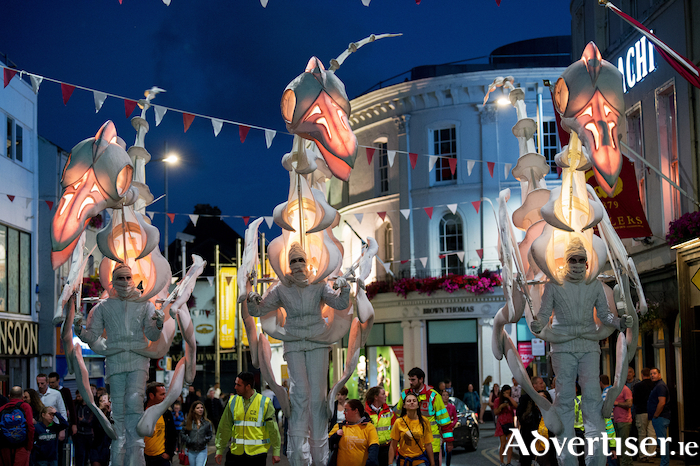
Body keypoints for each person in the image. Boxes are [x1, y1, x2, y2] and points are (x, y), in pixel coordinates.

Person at [530, 238, 632, 466]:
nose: (577, 264)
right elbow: (545, 314)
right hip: (563, 344)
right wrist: (538, 323)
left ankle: (596, 456)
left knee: (593, 397)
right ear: (566, 262)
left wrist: (618, 322)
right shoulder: (554, 285)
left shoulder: (594, 285)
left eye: (581, 260)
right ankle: (567, 457)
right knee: (565, 397)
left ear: (587, 263)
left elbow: (604, 315)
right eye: (572, 260)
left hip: (588, 343)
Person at [246, 243, 350, 465]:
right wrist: (251, 298)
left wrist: (345, 287)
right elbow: (259, 310)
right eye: (293, 261)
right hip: (293, 341)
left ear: (307, 262)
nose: (297, 265)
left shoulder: (320, 285)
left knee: (317, 395)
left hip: (317, 340)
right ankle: (297, 454)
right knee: (300, 393)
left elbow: (340, 303)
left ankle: (320, 455)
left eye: (300, 260)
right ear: (289, 265)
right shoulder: (281, 289)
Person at [73, 264, 165, 466]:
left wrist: (158, 324)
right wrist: (78, 328)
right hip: (114, 359)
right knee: (118, 413)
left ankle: (136, 457)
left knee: (134, 405)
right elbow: (92, 335)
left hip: (137, 357)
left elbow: (151, 334)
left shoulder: (145, 304)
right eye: (120, 278)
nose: (124, 282)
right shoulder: (103, 307)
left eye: (127, 277)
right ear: (112, 281)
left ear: (133, 279)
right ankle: (117, 457)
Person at [215, 371, 281, 466]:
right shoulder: (232, 401)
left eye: (238, 385)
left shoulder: (264, 403)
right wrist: (219, 449)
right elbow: (224, 426)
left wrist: (276, 451)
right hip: (235, 452)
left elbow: (273, 429)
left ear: (248, 387)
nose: (235, 387)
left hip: (257, 454)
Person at [394, 368, 451, 466]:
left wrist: (449, 442)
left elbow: (444, 421)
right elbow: (398, 418)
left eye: (413, 380)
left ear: (421, 379)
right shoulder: (405, 394)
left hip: (431, 445)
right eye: (409, 380)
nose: (410, 382)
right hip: (409, 446)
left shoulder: (433, 396)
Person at [388, 392, 434, 466]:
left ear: (418, 405)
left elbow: (428, 444)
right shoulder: (399, 422)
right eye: (409, 401)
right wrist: (390, 463)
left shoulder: (424, 421)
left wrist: (432, 463)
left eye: (414, 401)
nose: (412, 402)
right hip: (404, 461)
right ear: (404, 405)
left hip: (420, 461)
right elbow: (393, 445)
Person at [328, 399, 379, 466]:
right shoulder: (340, 426)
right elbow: (327, 444)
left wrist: (371, 462)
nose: (344, 412)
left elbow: (374, 447)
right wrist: (335, 435)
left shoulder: (368, 427)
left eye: (346, 410)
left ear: (355, 411)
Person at [0, 386, 35, 466]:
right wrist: (29, 447)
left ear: (9, 396)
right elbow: (30, 427)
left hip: (4, 447)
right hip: (21, 447)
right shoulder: (25, 406)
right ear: (22, 397)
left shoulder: (2, 409)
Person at [144, 382, 176, 466]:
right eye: (161, 394)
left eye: (165, 394)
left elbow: (172, 434)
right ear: (151, 396)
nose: (164, 397)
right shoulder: (141, 412)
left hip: (161, 458)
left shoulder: (166, 413)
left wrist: (169, 453)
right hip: (144, 458)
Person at [516, 377, 546, 466]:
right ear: (534, 386)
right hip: (529, 434)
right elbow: (520, 415)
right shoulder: (526, 398)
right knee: (526, 459)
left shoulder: (547, 396)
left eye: (542, 383)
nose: (543, 384)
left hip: (545, 433)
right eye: (540, 383)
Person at [364, 386, 395, 466]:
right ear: (376, 397)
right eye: (383, 394)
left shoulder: (390, 412)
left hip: (386, 448)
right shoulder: (365, 413)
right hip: (370, 449)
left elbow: (395, 431)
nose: (386, 396)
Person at [648, 368, 671, 466]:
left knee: (662, 441)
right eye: (651, 374)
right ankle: (664, 462)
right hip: (660, 417)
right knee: (661, 440)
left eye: (654, 373)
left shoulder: (660, 386)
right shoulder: (657, 386)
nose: (652, 375)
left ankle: (664, 463)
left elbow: (662, 402)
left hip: (660, 417)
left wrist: (656, 415)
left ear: (659, 375)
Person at [633, 368, 656, 462]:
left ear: (642, 375)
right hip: (652, 412)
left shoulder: (638, 386)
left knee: (642, 433)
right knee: (651, 433)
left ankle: (642, 455)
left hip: (641, 411)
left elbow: (635, 400)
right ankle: (651, 454)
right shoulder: (654, 385)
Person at [181, 401, 213, 466]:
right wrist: (189, 440)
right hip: (191, 451)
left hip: (202, 450)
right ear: (194, 410)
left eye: (201, 408)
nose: (200, 409)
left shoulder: (207, 423)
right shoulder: (188, 422)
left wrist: (204, 440)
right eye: (198, 408)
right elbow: (182, 433)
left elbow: (210, 435)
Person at [494, 385, 517, 466]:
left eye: (509, 393)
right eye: (506, 393)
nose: (507, 394)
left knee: (510, 444)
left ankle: (509, 462)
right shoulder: (497, 400)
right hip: (501, 424)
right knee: (503, 444)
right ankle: (502, 462)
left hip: (510, 423)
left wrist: (509, 398)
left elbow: (516, 406)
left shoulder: (510, 400)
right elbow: (495, 412)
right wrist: (501, 407)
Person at [612, 381, 633, 466]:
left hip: (624, 420)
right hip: (616, 419)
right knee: (621, 442)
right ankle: (628, 462)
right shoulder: (615, 390)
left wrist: (617, 403)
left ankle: (625, 463)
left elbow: (629, 403)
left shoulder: (625, 389)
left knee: (624, 443)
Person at [89, 394, 113, 466]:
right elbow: (93, 424)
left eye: (104, 401)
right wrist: (99, 412)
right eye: (100, 401)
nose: (102, 403)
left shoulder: (112, 414)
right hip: (97, 444)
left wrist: (109, 411)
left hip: (108, 445)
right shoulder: (96, 414)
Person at [73, 390, 94, 466]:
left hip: (89, 434)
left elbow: (92, 420)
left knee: (88, 455)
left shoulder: (91, 406)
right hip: (79, 434)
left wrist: (84, 420)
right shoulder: (76, 405)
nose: (77, 398)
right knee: (80, 455)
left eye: (79, 396)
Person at [440, 390, 457, 466]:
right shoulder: (439, 407)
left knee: (448, 448)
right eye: (443, 395)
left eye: (447, 395)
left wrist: (452, 425)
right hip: (440, 429)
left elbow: (455, 418)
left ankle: (448, 464)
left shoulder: (452, 407)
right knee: (440, 448)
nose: (445, 397)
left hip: (448, 429)